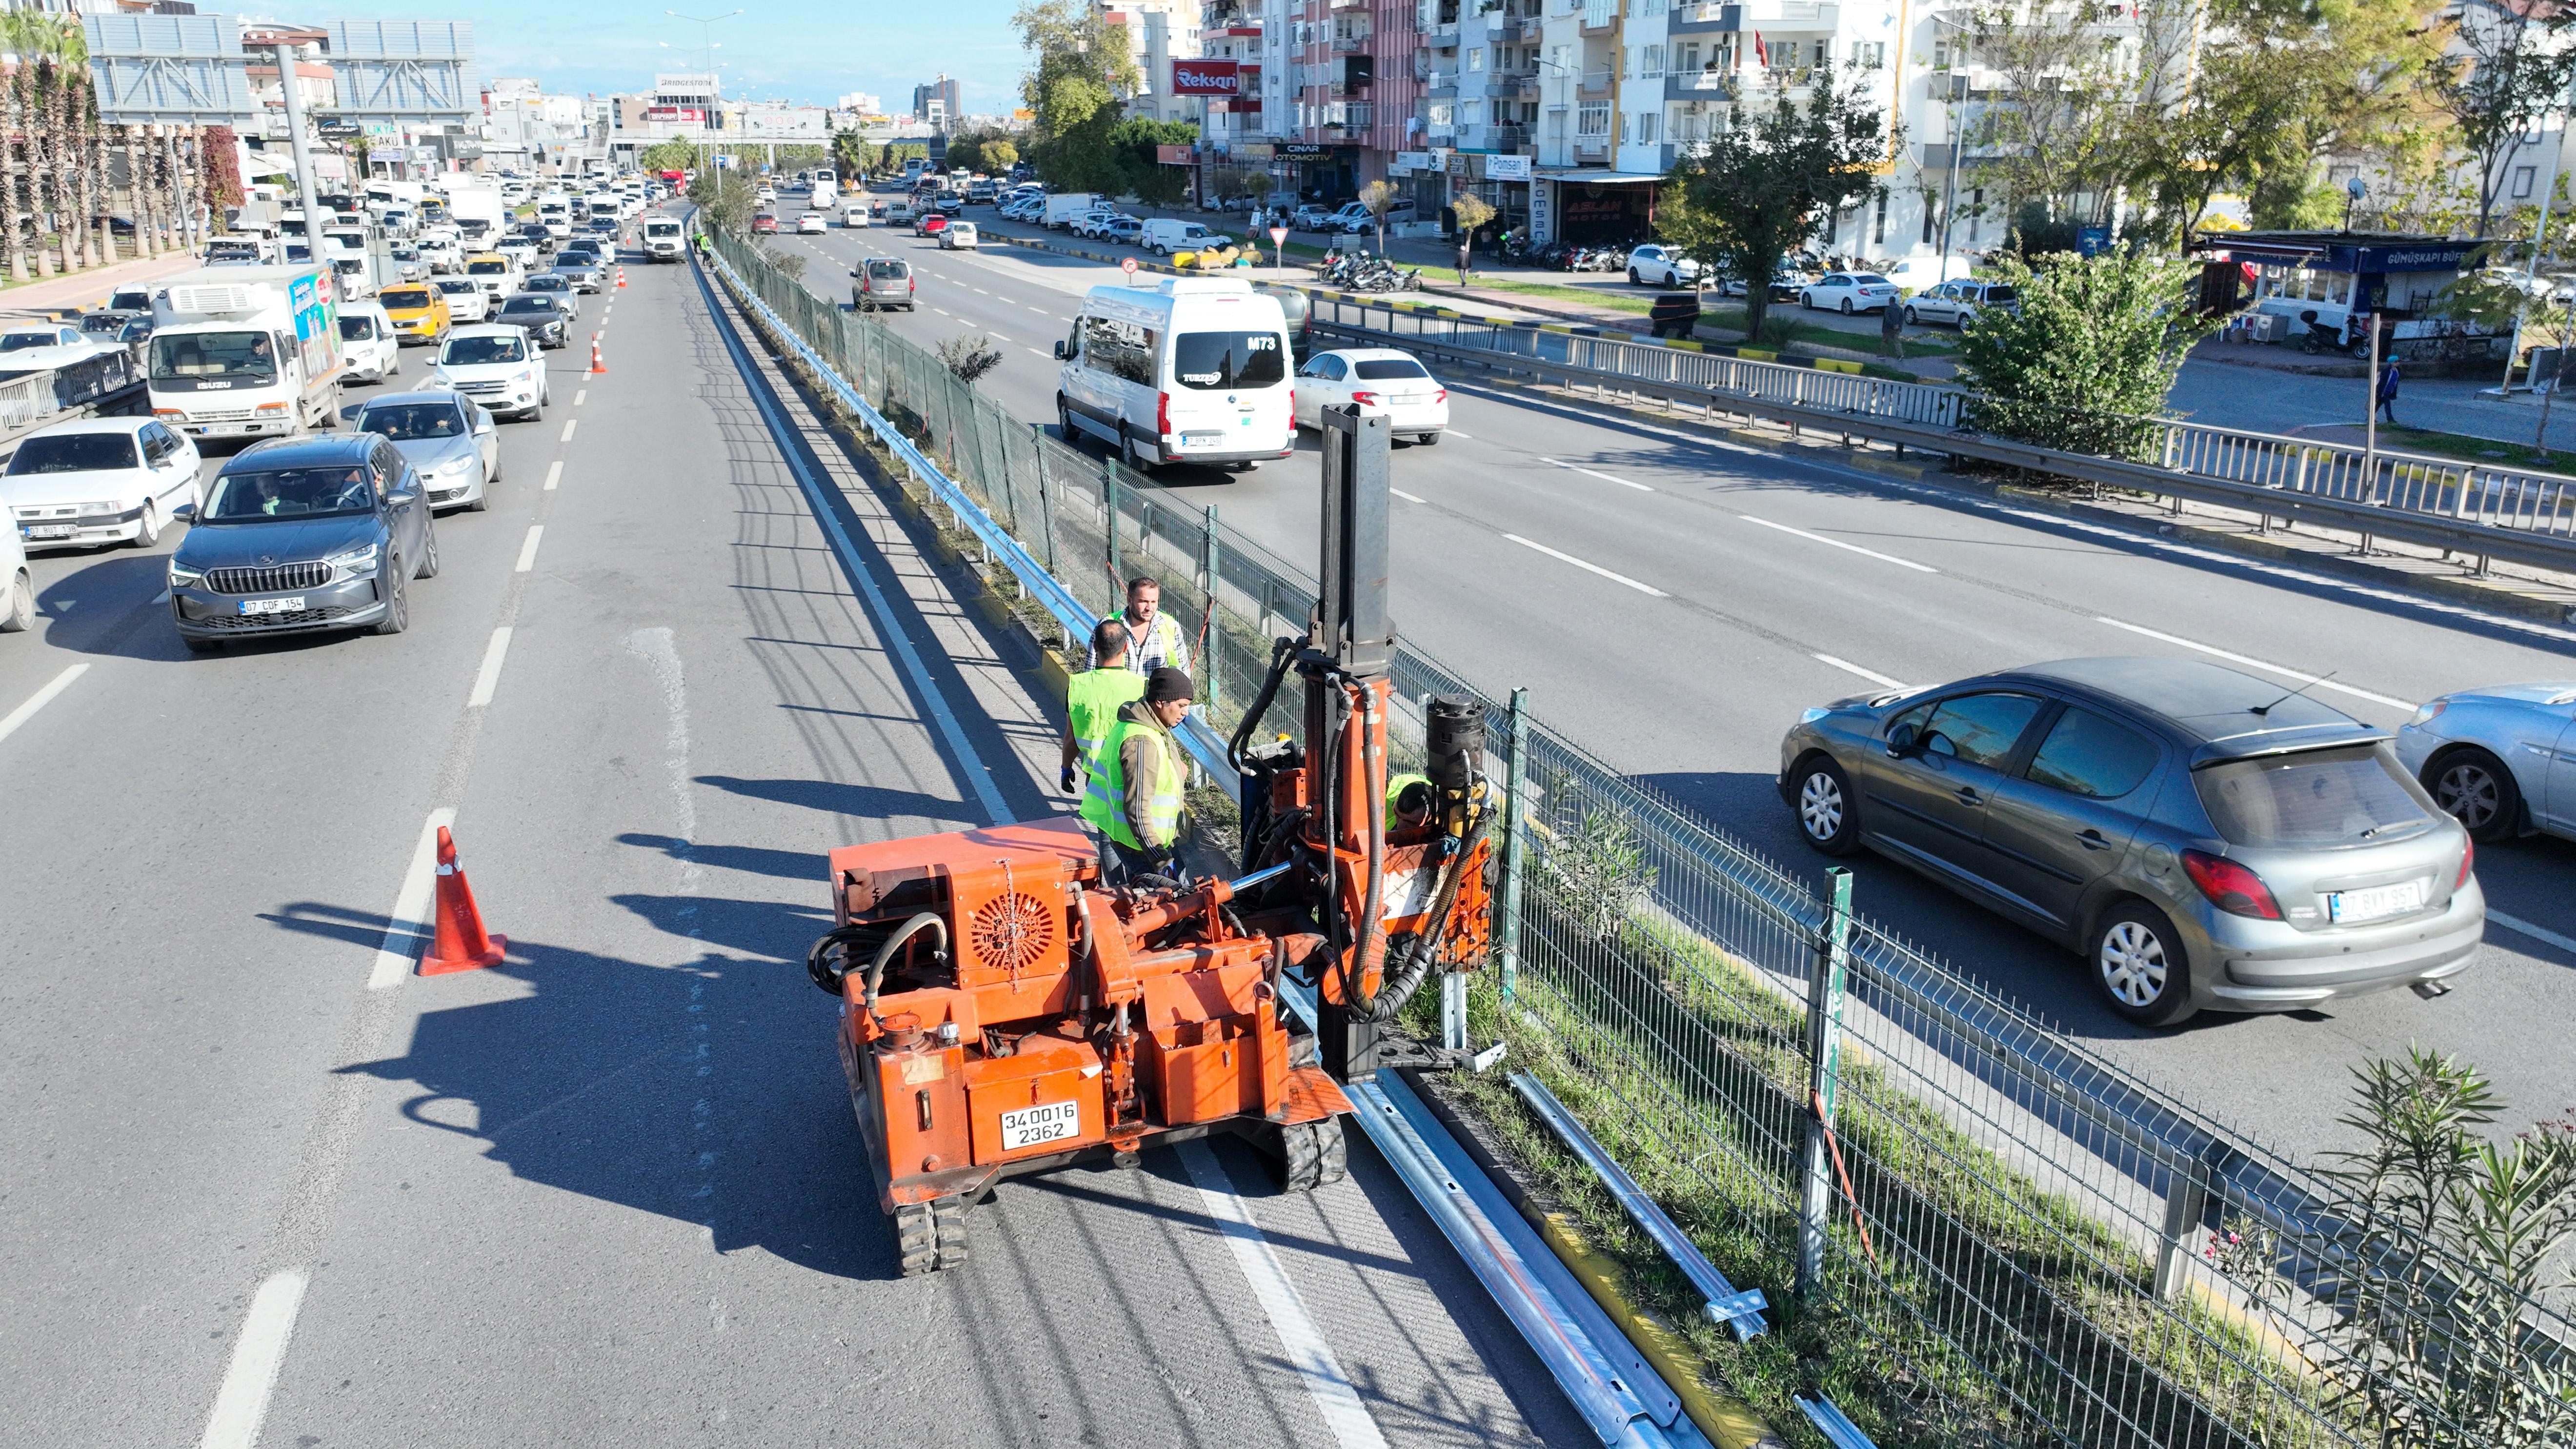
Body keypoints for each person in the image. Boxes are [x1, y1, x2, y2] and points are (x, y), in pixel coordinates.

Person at [1081, 666, 1195, 882]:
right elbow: (1137, 810)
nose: (1185, 712)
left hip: (1144, 843)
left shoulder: (1146, 725)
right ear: (1161, 702)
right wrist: (1161, 860)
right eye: (1181, 706)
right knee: (1174, 908)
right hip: (1146, 849)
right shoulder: (1142, 741)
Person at [1062, 618, 1145, 796]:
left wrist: (1066, 767)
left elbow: (1071, 737)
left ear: (1096, 647)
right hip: (1133, 771)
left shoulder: (1077, 686)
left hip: (1096, 775)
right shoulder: (1142, 687)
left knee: (1103, 822)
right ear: (1125, 648)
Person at [1084, 576, 1190, 676]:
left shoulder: (1171, 626)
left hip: (1155, 696)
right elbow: (1090, 671)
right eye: (1143, 601)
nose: (1149, 608)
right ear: (1130, 600)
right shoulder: (1108, 626)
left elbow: (1184, 670)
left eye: (1154, 602)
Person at [2376, 355, 2401, 424]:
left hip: (2390, 391)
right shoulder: (2386, 371)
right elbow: (2382, 383)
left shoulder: (2397, 370)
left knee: (2378, 404)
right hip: (2384, 392)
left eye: (2398, 361)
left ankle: (2370, 416)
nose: (2398, 363)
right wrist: (2380, 392)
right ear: (2391, 363)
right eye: (2396, 362)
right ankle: (2390, 419)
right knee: (2387, 405)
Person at [1880, 296, 1906, 360]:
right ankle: (1900, 354)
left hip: (1888, 328)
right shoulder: (1900, 309)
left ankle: (1883, 355)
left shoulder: (1888, 309)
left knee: (1885, 341)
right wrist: (1899, 326)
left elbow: (1888, 319)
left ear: (1890, 301)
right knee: (1897, 342)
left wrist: (1893, 325)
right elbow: (1902, 319)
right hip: (1897, 328)